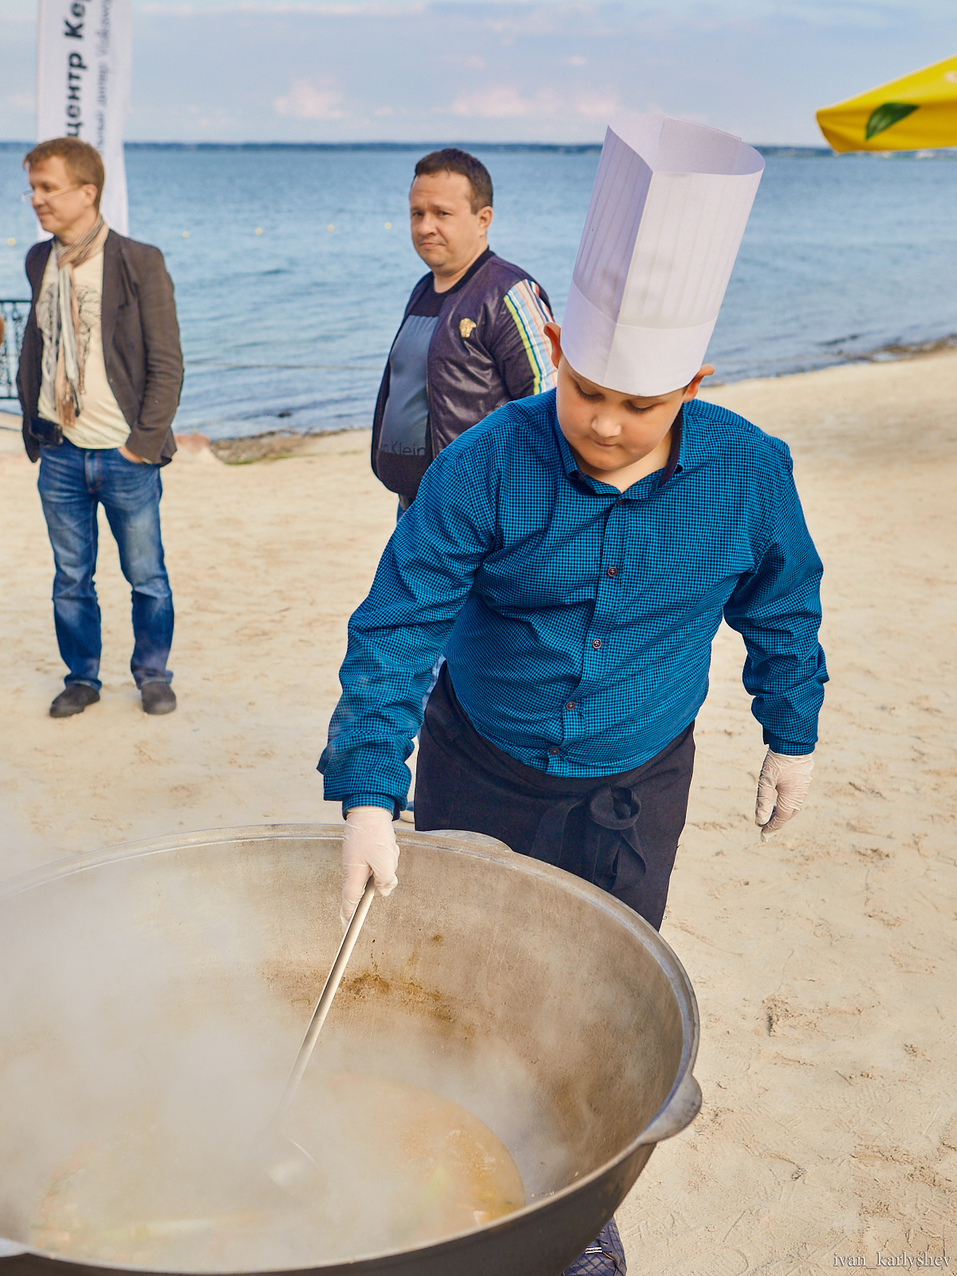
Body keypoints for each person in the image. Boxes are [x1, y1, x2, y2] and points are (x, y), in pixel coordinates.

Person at [320, 116, 827, 1275]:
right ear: (560, 354)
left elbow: (782, 604)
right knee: (461, 972)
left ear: (692, 384)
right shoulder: (488, 459)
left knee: (592, 998)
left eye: (637, 405)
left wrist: (789, 731)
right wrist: (363, 788)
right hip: (477, 756)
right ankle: (436, 1174)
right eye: (586, 390)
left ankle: (574, 1207)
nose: (602, 422)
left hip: (634, 781)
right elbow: (398, 622)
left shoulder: (749, 470)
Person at [17, 137, 183, 718]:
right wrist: (34, 431)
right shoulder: (40, 260)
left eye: (47, 187)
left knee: (146, 574)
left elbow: (166, 363)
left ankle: (153, 674)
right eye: (32, 188)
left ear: (87, 192)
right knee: (70, 577)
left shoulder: (139, 260)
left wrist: (141, 446)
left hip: (123, 454)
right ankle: (82, 679)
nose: (35, 199)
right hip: (60, 450)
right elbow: (35, 347)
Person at [371, 147, 556, 510]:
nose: (425, 226)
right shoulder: (423, 289)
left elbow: (548, 407)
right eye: (417, 213)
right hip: (414, 508)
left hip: (477, 512)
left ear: (483, 219)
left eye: (442, 213)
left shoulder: (509, 292)